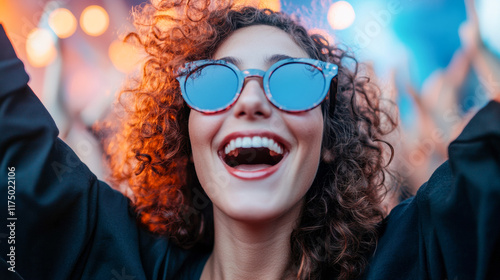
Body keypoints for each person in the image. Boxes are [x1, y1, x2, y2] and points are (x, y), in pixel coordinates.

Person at [0, 1, 499, 280]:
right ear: (187, 134)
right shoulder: (105, 261)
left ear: (328, 136)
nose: (252, 102)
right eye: (216, 83)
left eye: (294, 80)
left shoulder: (419, 261)